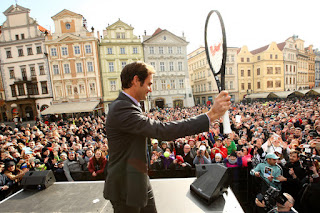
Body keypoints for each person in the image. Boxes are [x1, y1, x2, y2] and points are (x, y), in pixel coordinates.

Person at [103, 61, 231, 213]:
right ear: (136, 80)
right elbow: (162, 130)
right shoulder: (121, 108)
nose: (150, 89)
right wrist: (209, 116)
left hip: (138, 180)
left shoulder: (129, 105)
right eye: (149, 84)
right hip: (126, 187)